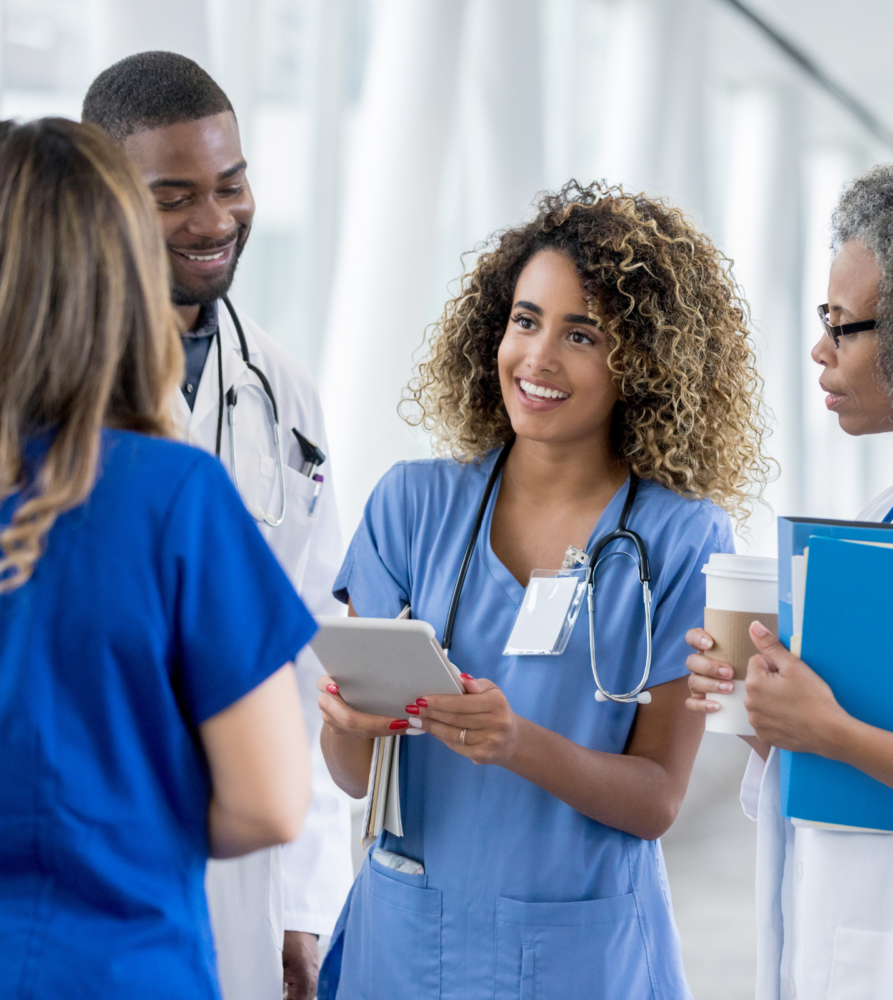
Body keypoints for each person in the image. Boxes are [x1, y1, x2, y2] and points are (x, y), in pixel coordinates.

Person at [315, 182, 771, 999]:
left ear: (643, 362)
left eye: (582, 334)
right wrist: (348, 725)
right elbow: (353, 775)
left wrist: (515, 742)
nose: (539, 360)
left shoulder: (680, 539)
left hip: (581, 959)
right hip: (408, 943)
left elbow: (658, 800)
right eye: (526, 320)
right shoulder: (411, 506)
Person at [0, 118, 315, 1000]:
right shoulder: (173, 496)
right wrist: (116, 816)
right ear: (122, 272)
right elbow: (269, 799)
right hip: (119, 967)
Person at [686, 150, 893, 1000]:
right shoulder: (884, 514)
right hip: (837, 944)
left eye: (843, 323)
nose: (820, 349)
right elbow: (828, 761)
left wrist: (835, 734)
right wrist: (764, 711)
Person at [81, 52, 352, 1000]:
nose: (214, 220)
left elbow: (309, 658)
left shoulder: (283, 388)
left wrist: (305, 900)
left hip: (246, 869)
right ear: (106, 199)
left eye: (231, 185)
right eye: (174, 195)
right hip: (91, 851)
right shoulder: (47, 398)